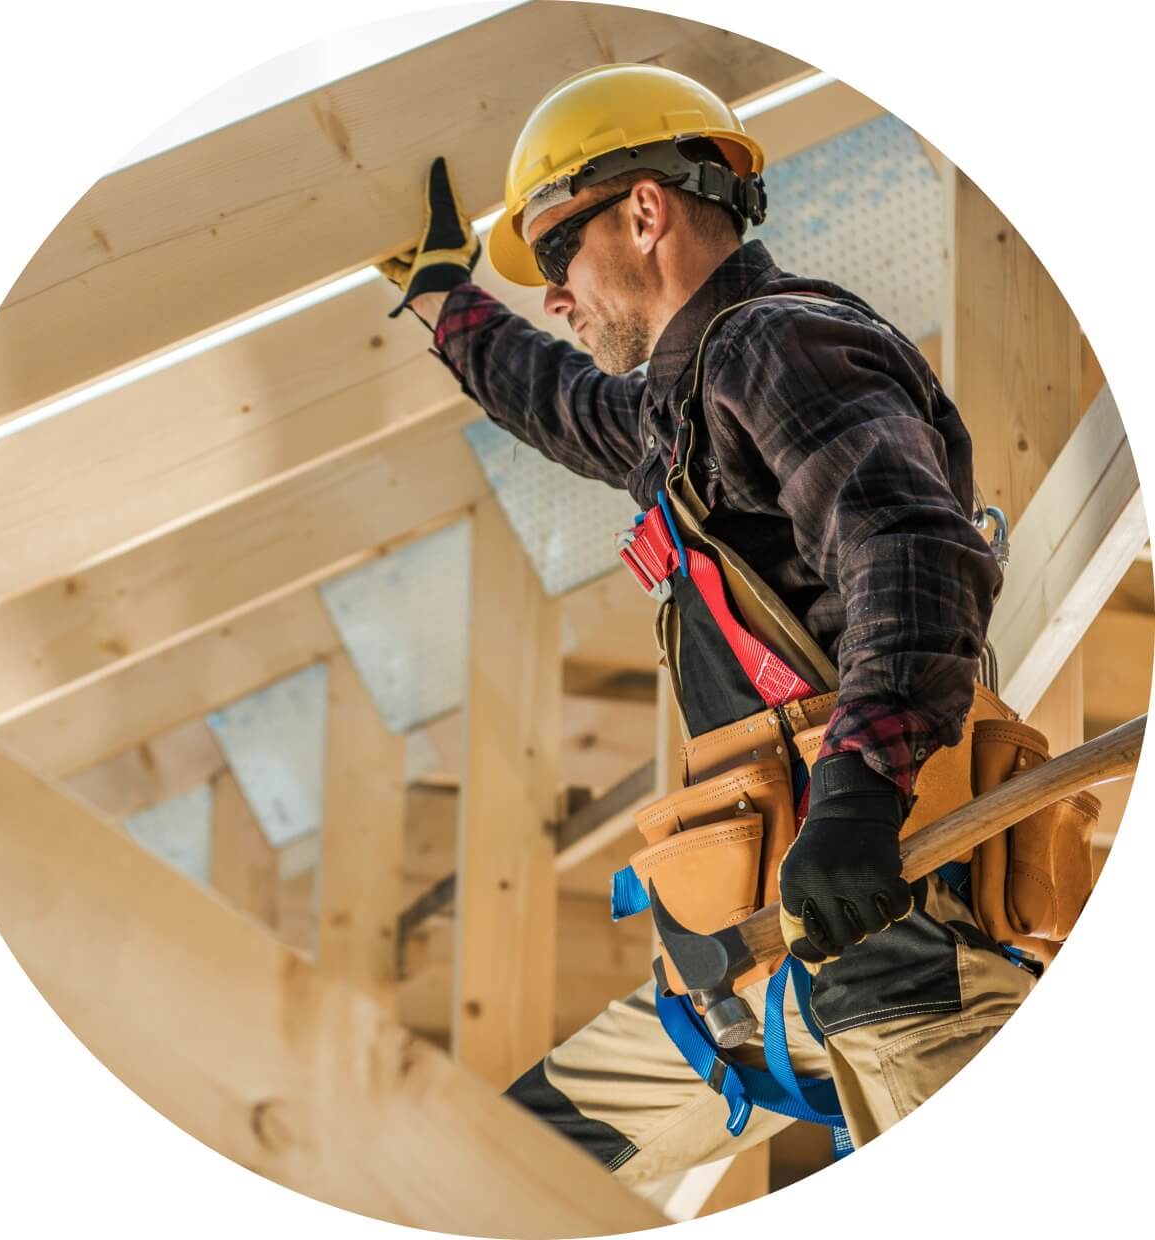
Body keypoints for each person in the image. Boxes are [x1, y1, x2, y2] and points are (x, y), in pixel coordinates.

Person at [378, 63, 1039, 1183]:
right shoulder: (677, 407)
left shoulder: (774, 344)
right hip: (741, 985)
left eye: (554, 253)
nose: (552, 292)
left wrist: (858, 797)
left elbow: (912, 555)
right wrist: (444, 293)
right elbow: (549, 395)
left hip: (899, 953)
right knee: (478, 1175)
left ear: (643, 213)